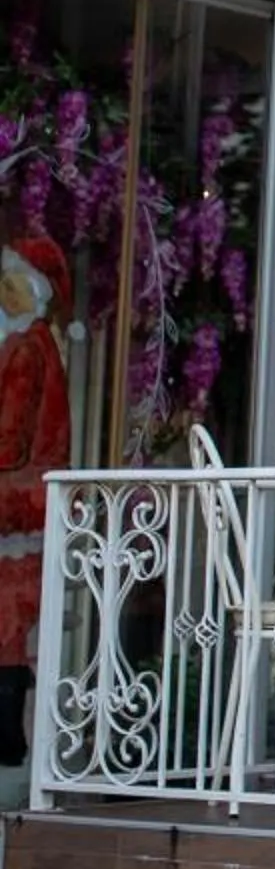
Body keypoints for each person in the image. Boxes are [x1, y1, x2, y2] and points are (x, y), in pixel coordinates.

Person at [0, 236, 74, 777]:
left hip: (14, 505)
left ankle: (9, 743)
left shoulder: (26, 349)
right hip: (21, 503)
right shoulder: (33, 344)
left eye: (9, 284)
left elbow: (9, 438)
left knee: (6, 629)